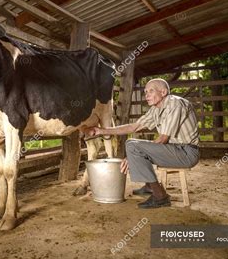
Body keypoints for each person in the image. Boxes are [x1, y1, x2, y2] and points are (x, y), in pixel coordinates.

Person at [84, 78, 199, 208]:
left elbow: (162, 139)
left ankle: (160, 197)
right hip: (174, 150)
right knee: (131, 142)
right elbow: (134, 127)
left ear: (163, 92)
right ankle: (150, 186)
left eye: (151, 91)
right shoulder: (156, 108)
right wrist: (101, 131)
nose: (147, 95)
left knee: (134, 147)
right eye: (145, 91)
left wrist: (133, 156)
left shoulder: (174, 104)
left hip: (187, 153)